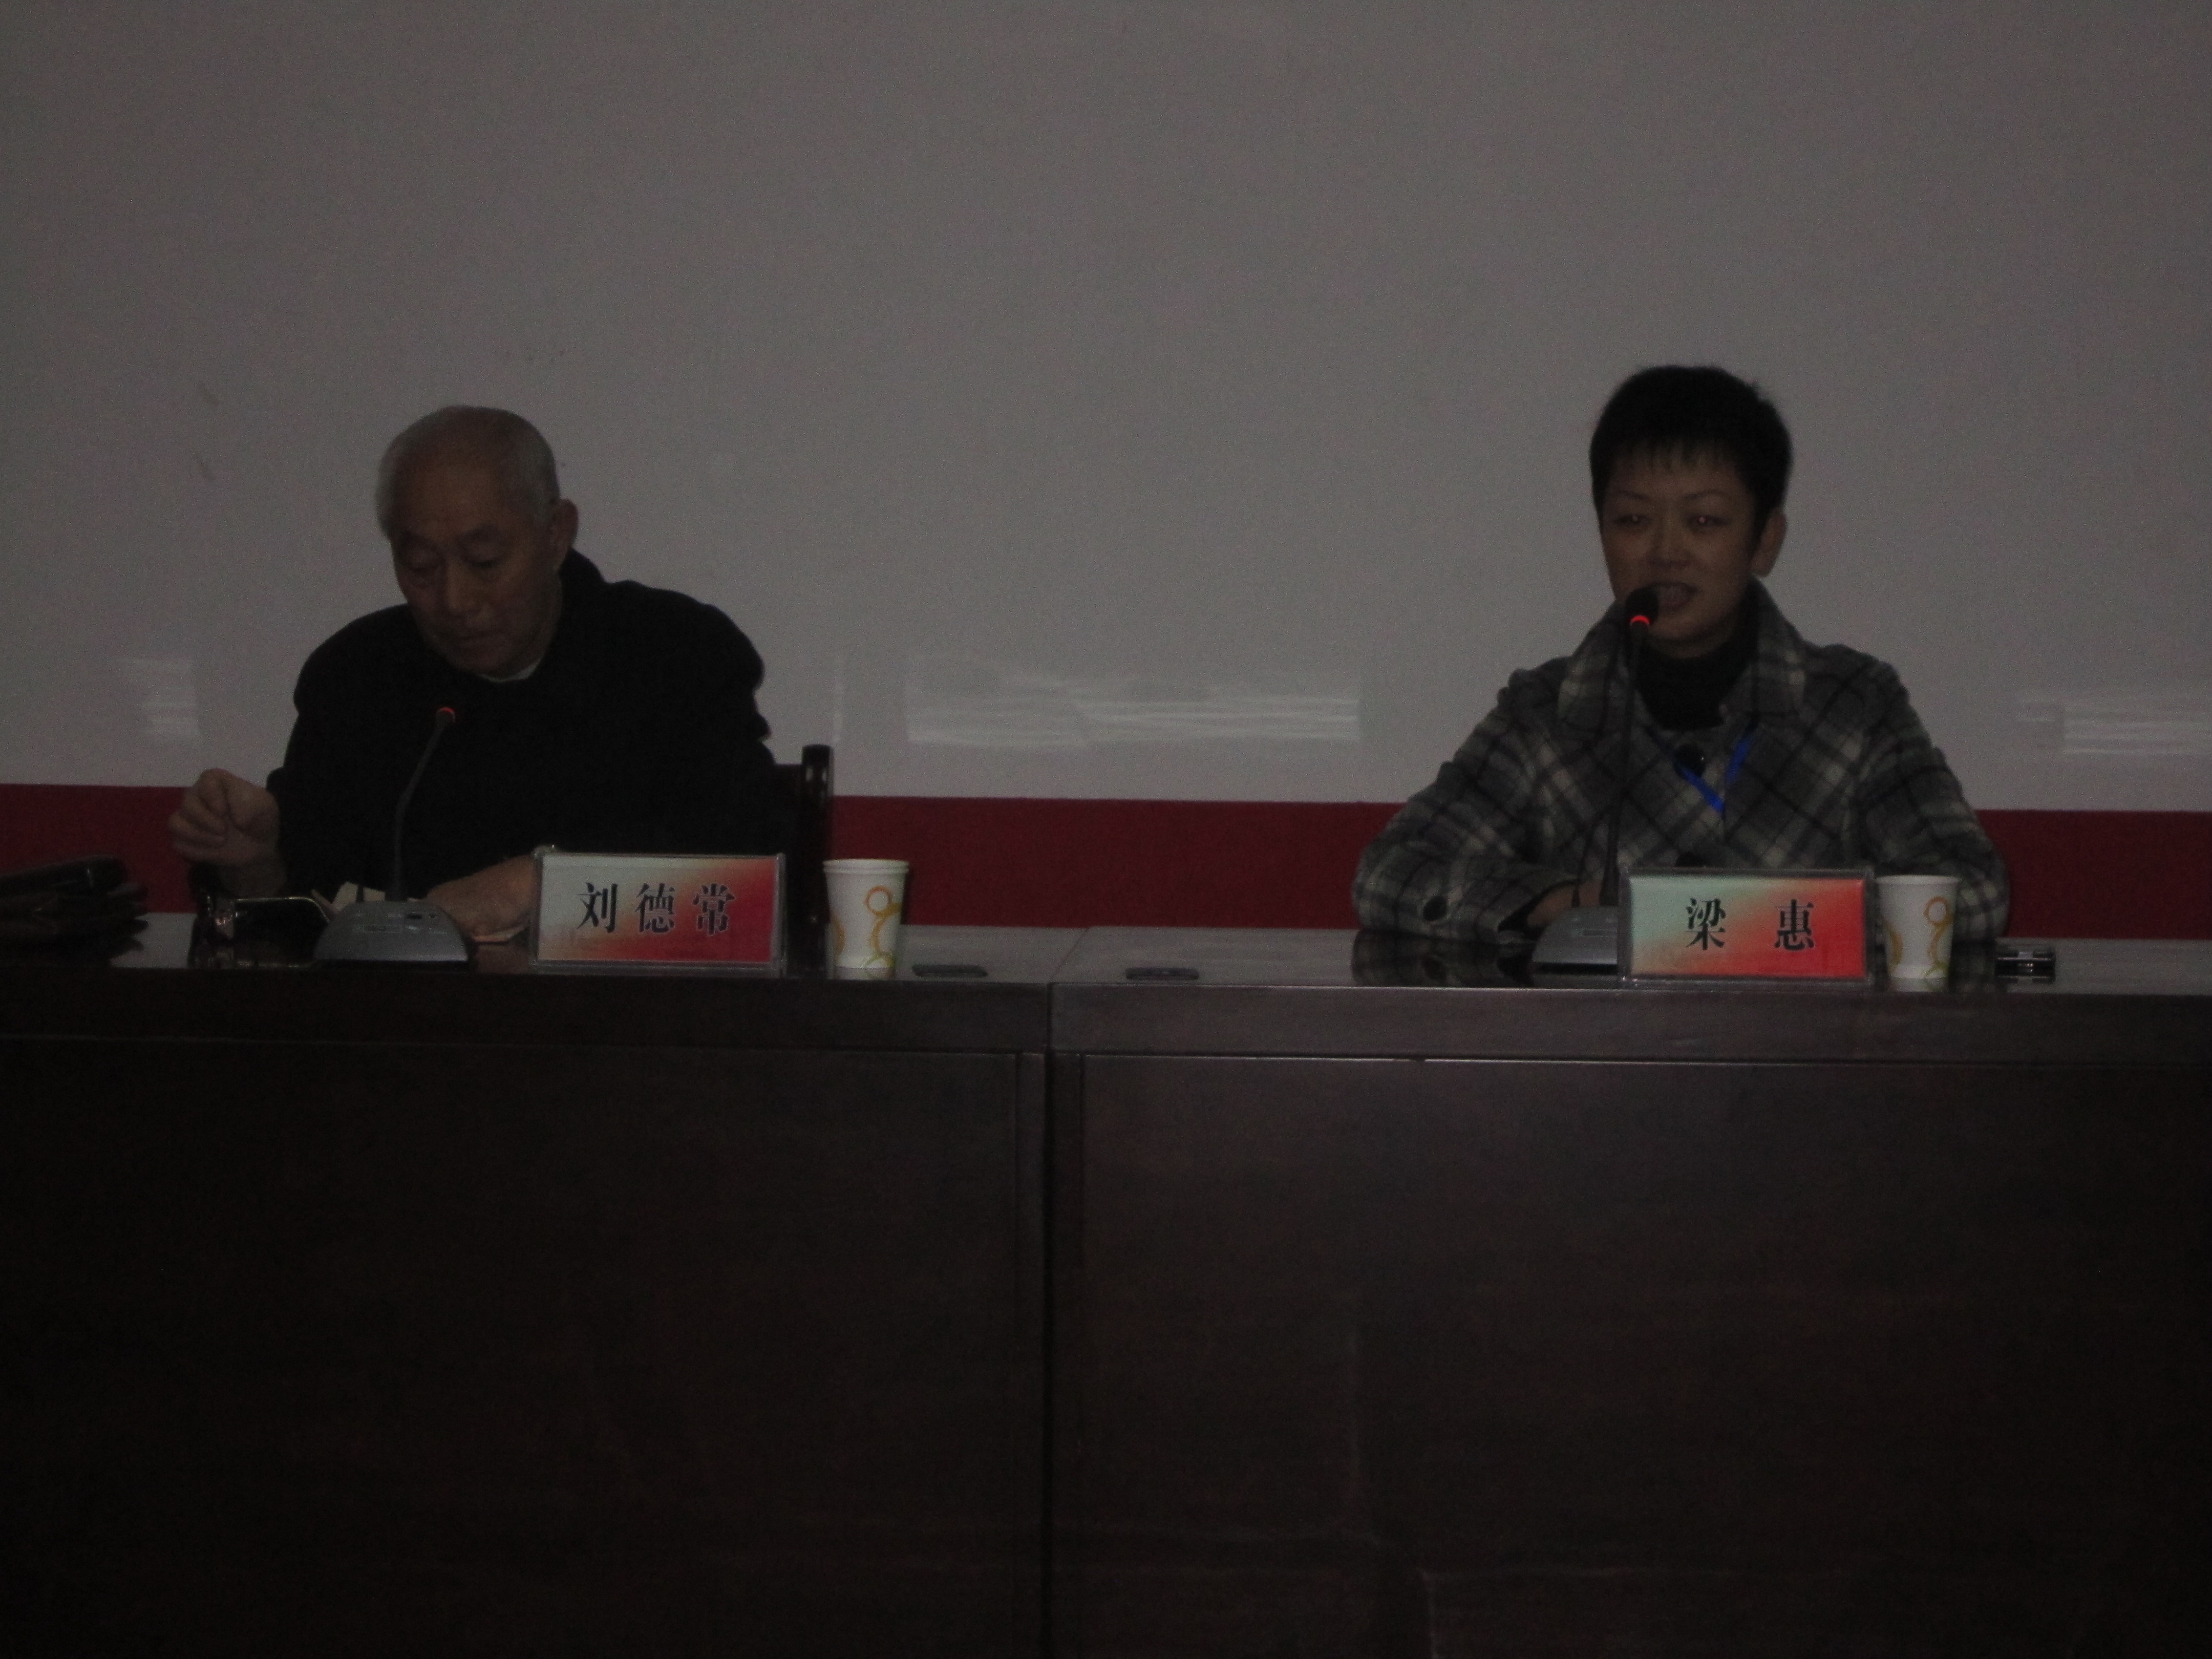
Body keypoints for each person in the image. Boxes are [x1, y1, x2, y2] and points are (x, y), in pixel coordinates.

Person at [1355, 365, 2008, 944]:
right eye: (1633, 521)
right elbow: (1390, 875)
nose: (1665, 552)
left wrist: (1750, 920)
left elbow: (1973, 890)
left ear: (1765, 541)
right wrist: (1565, 903)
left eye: (1704, 522)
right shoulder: (1545, 714)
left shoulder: (1853, 705)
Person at [169, 407, 792, 939]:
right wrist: (257, 864)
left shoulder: (677, 655)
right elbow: (306, 918)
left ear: (556, 535)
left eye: (485, 561)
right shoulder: (358, 677)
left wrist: (542, 883)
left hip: (631, 1026)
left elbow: (748, 867)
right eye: (421, 567)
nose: (456, 600)